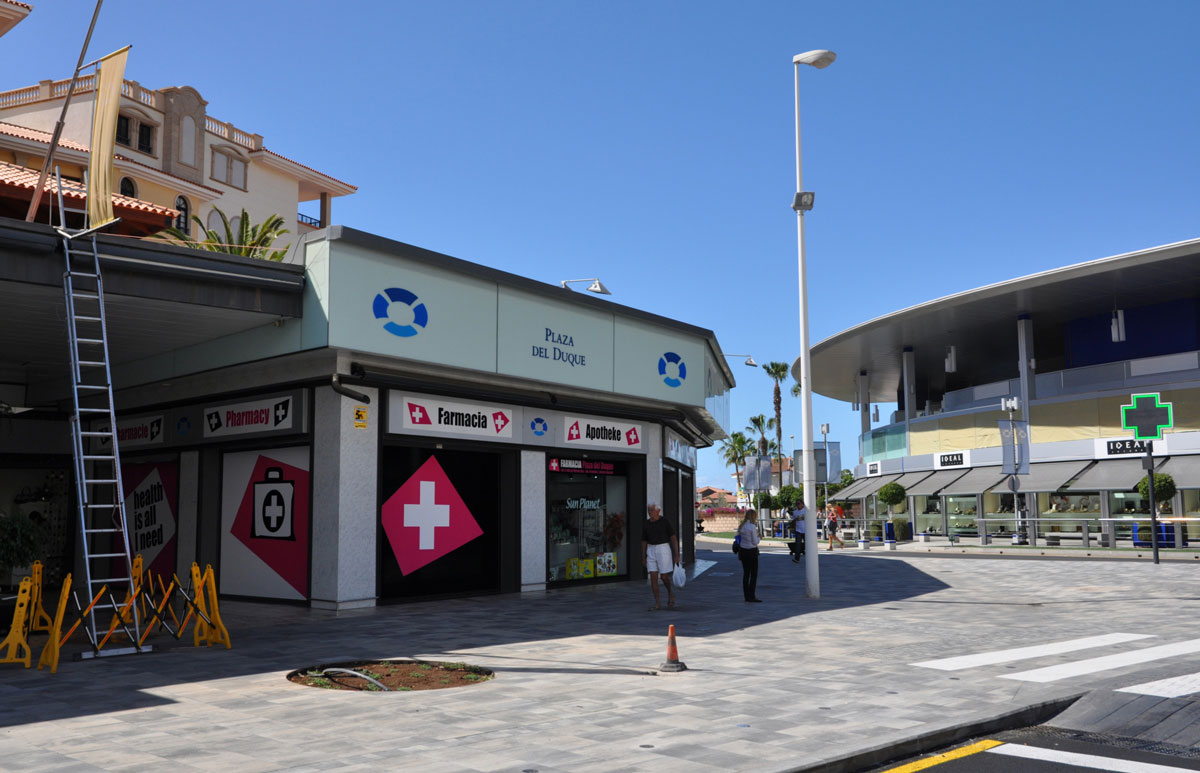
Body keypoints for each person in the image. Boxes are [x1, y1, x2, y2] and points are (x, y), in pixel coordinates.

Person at [642, 504, 679, 610]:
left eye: (652, 510)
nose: (650, 512)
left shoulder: (664, 521)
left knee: (664, 577)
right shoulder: (646, 523)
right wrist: (643, 557)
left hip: (663, 549)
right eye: (649, 510)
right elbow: (644, 541)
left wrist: (676, 555)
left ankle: (670, 593)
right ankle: (657, 603)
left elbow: (673, 538)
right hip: (650, 549)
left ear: (658, 511)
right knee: (653, 577)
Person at [737, 509, 762, 602]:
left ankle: (746, 596)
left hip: (743, 551)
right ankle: (752, 596)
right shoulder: (752, 526)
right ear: (753, 516)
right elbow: (755, 542)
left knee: (746, 574)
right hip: (752, 551)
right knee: (753, 575)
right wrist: (759, 537)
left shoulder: (742, 526)